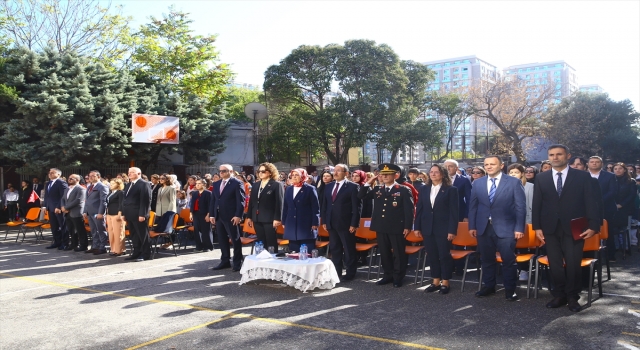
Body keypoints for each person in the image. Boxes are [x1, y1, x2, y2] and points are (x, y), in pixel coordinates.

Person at [532, 144, 600, 312]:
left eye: (559, 154)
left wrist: (594, 226)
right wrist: (537, 227)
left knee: (573, 263)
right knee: (554, 263)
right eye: (551, 154)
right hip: (550, 228)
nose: (555, 157)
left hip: (575, 228)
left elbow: (592, 203)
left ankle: (572, 296)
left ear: (568, 156)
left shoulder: (583, 177)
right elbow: (537, 204)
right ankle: (559, 294)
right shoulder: (541, 178)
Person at [469, 156, 526, 301]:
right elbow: (473, 206)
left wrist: (519, 228)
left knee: (508, 260)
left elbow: (520, 207)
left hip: (506, 228)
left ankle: (510, 289)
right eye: (486, 164)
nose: (488, 167)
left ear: (501, 165)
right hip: (483, 228)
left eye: (492, 164)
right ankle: (489, 286)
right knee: (487, 259)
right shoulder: (478, 183)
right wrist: (472, 226)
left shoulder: (513, 182)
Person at [358, 164, 414, 288]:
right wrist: (369, 182)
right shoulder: (378, 189)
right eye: (382, 174)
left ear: (395, 175)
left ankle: (398, 277)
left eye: (388, 174)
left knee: (399, 253)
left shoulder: (403, 190)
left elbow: (408, 210)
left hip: (397, 227)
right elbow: (361, 196)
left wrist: (407, 226)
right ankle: (388, 275)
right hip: (381, 226)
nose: (385, 176)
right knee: (384, 253)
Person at [414, 164, 459, 295]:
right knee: (432, 255)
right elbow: (420, 209)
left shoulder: (451, 189)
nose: (433, 174)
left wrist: (452, 230)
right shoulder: (424, 189)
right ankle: (435, 281)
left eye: (436, 172)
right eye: (431, 172)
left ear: (443, 174)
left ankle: (445, 281)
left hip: (443, 228)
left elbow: (454, 213)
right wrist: (417, 227)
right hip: (427, 228)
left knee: (444, 255)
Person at [321, 164, 361, 281]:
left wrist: (354, 223)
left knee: (348, 249)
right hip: (331, 223)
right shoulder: (329, 186)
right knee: (335, 248)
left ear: (346, 173)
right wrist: (324, 220)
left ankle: (350, 272)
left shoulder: (353, 187)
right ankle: (336, 272)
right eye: (335, 170)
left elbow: (357, 207)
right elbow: (325, 205)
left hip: (346, 223)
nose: (335, 173)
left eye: (339, 171)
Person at [209, 164, 246, 271]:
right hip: (219, 215)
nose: (221, 173)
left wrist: (238, 215)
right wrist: (212, 214)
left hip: (231, 216)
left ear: (231, 171)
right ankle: (225, 260)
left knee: (235, 239)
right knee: (222, 239)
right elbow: (214, 200)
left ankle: (237, 262)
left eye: (224, 171)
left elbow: (241, 201)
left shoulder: (237, 183)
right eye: (220, 171)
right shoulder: (216, 184)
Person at [246, 162, 283, 254]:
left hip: (270, 218)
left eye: (263, 171)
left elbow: (280, 202)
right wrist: (249, 216)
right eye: (259, 171)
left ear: (270, 172)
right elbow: (252, 202)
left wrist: (277, 218)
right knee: (261, 241)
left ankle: (272, 261)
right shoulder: (255, 185)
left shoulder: (276, 184)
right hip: (257, 218)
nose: (260, 173)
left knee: (271, 241)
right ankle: (262, 260)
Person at [282, 168, 320, 253]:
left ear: (303, 176)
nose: (294, 177)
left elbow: (315, 207)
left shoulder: (310, 189)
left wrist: (315, 222)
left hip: (305, 223)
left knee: (307, 252)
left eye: (297, 175)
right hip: (291, 223)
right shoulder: (289, 189)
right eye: (293, 175)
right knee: (293, 252)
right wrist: (284, 221)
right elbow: (285, 206)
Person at [587, 156, 618, 261]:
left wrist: (597, 201)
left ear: (602, 164)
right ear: (588, 164)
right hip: (588, 209)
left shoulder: (610, 176)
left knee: (608, 232)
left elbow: (612, 192)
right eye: (592, 162)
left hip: (607, 208)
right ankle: (590, 254)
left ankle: (610, 255)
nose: (594, 164)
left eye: (597, 162)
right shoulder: (583, 175)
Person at [122, 167, 152, 262]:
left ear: (138, 173)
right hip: (130, 213)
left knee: (142, 234)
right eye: (129, 172)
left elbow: (145, 200)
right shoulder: (129, 184)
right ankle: (136, 252)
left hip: (139, 214)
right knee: (134, 235)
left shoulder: (144, 184)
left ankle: (145, 253)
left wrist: (142, 214)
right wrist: (123, 213)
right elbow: (125, 200)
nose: (129, 174)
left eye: (132, 172)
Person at [611, 163, 637, 259]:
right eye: (615, 168)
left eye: (620, 168)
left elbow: (632, 195)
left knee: (625, 228)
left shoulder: (631, 181)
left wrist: (622, 204)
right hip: (612, 207)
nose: (617, 170)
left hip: (626, 208)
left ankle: (626, 247)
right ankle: (616, 247)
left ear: (624, 170)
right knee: (612, 228)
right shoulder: (611, 180)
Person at [83, 171, 109, 255]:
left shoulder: (102, 186)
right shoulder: (90, 186)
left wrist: (101, 213)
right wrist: (85, 211)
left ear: (98, 176)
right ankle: (95, 246)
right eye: (89, 176)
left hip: (97, 212)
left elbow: (103, 201)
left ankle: (102, 247)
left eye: (93, 176)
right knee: (93, 230)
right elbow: (87, 201)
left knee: (101, 230)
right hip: (90, 212)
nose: (90, 177)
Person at [60, 174, 86, 252]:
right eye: (69, 178)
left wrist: (66, 207)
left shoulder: (81, 189)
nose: (69, 179)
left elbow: (78, 200)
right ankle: (74, 244)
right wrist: (62, 207)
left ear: (77, 180)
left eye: (72, 178)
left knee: (79, 229)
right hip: (67, 213)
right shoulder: (67, 189)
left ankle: (83, 245)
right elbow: (63, 199)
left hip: (76, 212)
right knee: (71, 229)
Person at [44, 168, 68, 249]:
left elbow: (63, 196)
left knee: (63, 226)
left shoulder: (61, 183)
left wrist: (58, 206)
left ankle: (65, 243)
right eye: (49, 172)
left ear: (58, 174)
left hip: (59, 208)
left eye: (52, 173)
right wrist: (45, 206)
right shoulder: (48, 183)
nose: (50, 174)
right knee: (54, 227)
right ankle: (57, 242)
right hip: (50, 208)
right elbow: (46, 196)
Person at [190, 179, 215, 252]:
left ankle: (208, 246)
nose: (197, 185)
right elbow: (192, 204)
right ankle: (199, 246)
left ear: (203, 184)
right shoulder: (194, 193)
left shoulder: (208, 193)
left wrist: (208, 215)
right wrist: (191, 213)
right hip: (196, 213)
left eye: (199, 183)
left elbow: (210, 205)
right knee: (196, 230)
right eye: (196, 183)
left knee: (206, 230)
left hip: (205, 214)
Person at [106, 179, 126, 256]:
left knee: (118, 233)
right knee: (111, 233)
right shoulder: (111, 193)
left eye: (113, 184)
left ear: (118, 184)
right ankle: (113, 249)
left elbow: (121, 203)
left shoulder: (120, 193)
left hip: (117, 214)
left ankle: (120, 250)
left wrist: (119, 214)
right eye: (110, 183)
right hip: (109, 214)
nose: (111, 185)